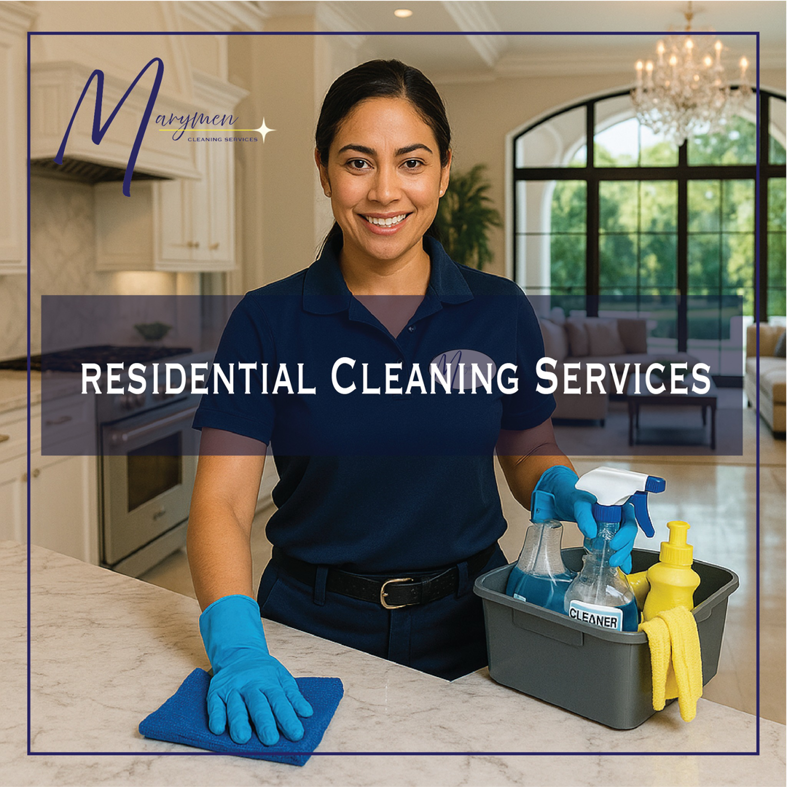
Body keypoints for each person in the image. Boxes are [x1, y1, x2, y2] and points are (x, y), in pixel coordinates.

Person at [187, 59, 637, 747]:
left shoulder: (498, 310)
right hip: (307, 628)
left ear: (444, 171)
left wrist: (562, 486)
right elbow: (221, 502)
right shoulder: (266, 320)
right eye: (357, 162)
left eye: (412, 161)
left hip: (477, 624)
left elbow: (528, 445)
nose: (385, 190)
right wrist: (238, 643)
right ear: (323, 169)